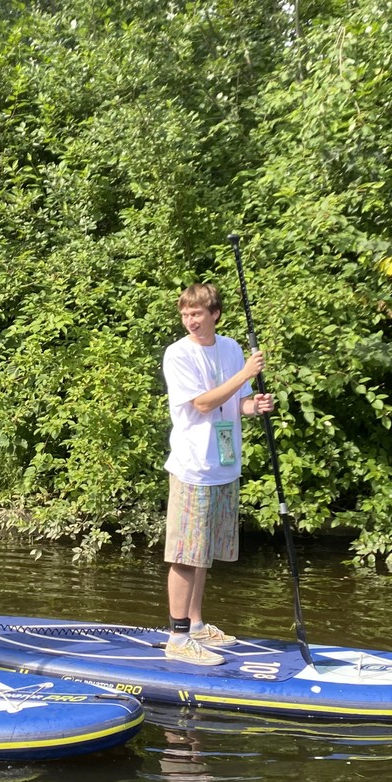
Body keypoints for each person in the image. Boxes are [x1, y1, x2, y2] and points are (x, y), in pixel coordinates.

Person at [162, 281, 274, 664]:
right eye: (185, 314)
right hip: (193, 466)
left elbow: (232, 406)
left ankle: (195, 624)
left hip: (224, 465)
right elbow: (205, 404)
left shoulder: (229, 348)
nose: (190, 321)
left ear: (215, 315)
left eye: (196, 313)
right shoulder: (178, 355)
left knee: (203, 552)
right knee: (184, 553)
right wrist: (245, 375)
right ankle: (177, 639)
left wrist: (254, 406)